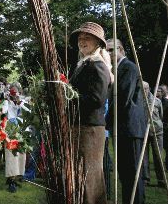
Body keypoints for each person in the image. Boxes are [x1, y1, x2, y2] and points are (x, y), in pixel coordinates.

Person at [69, 22, 112, 204]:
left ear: (97, 43)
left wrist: (68, 97)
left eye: (87, 38)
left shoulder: (98, 66)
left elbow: (97, 100)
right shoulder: (82, 64)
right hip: (80, 126)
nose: (82, 41)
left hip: (90, 129)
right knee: (81, 173)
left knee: (89, 175)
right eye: (80, 38)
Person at [106, 38, 146, 204]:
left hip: (130, 127)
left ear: (121, 49)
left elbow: (122, 97)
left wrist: (106, 120)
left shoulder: (128, 67)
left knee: (133, 172)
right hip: (121, 127)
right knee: (125, 172)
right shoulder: (116, 69)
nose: (108, 54)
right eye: (106, 51)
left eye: (111, 50)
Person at [3, 82, 28, 193]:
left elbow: (28, 111)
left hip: (22, 130)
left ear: (19, 92)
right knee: (10, 155)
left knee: (21, 155)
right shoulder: (6, 102)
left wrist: (19, 101)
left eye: (15, 91)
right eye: (12, 91)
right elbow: (3, 111)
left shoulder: (24, 101)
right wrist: (5, 99)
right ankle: (11, 179)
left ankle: (17, 176)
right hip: (10, 130)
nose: (13, 93)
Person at [142, 81, 165, 187]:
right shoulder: (138, 100)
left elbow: (161, 115)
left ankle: (161, 179)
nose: (144, 90)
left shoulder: (157, 101)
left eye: (146, 88)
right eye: (142, 88)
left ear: (149, 89)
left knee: (158, 156)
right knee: (144, 157)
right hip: (143, 132)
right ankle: (146, 179)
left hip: (157, 132)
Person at [156, 84, 168, 172]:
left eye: (160, 91)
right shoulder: (153, 101)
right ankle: (159, 165)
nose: (158, 93)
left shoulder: (167, 103)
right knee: (159, 148)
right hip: (157, 128)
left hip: (167, 128)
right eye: (157, 91)